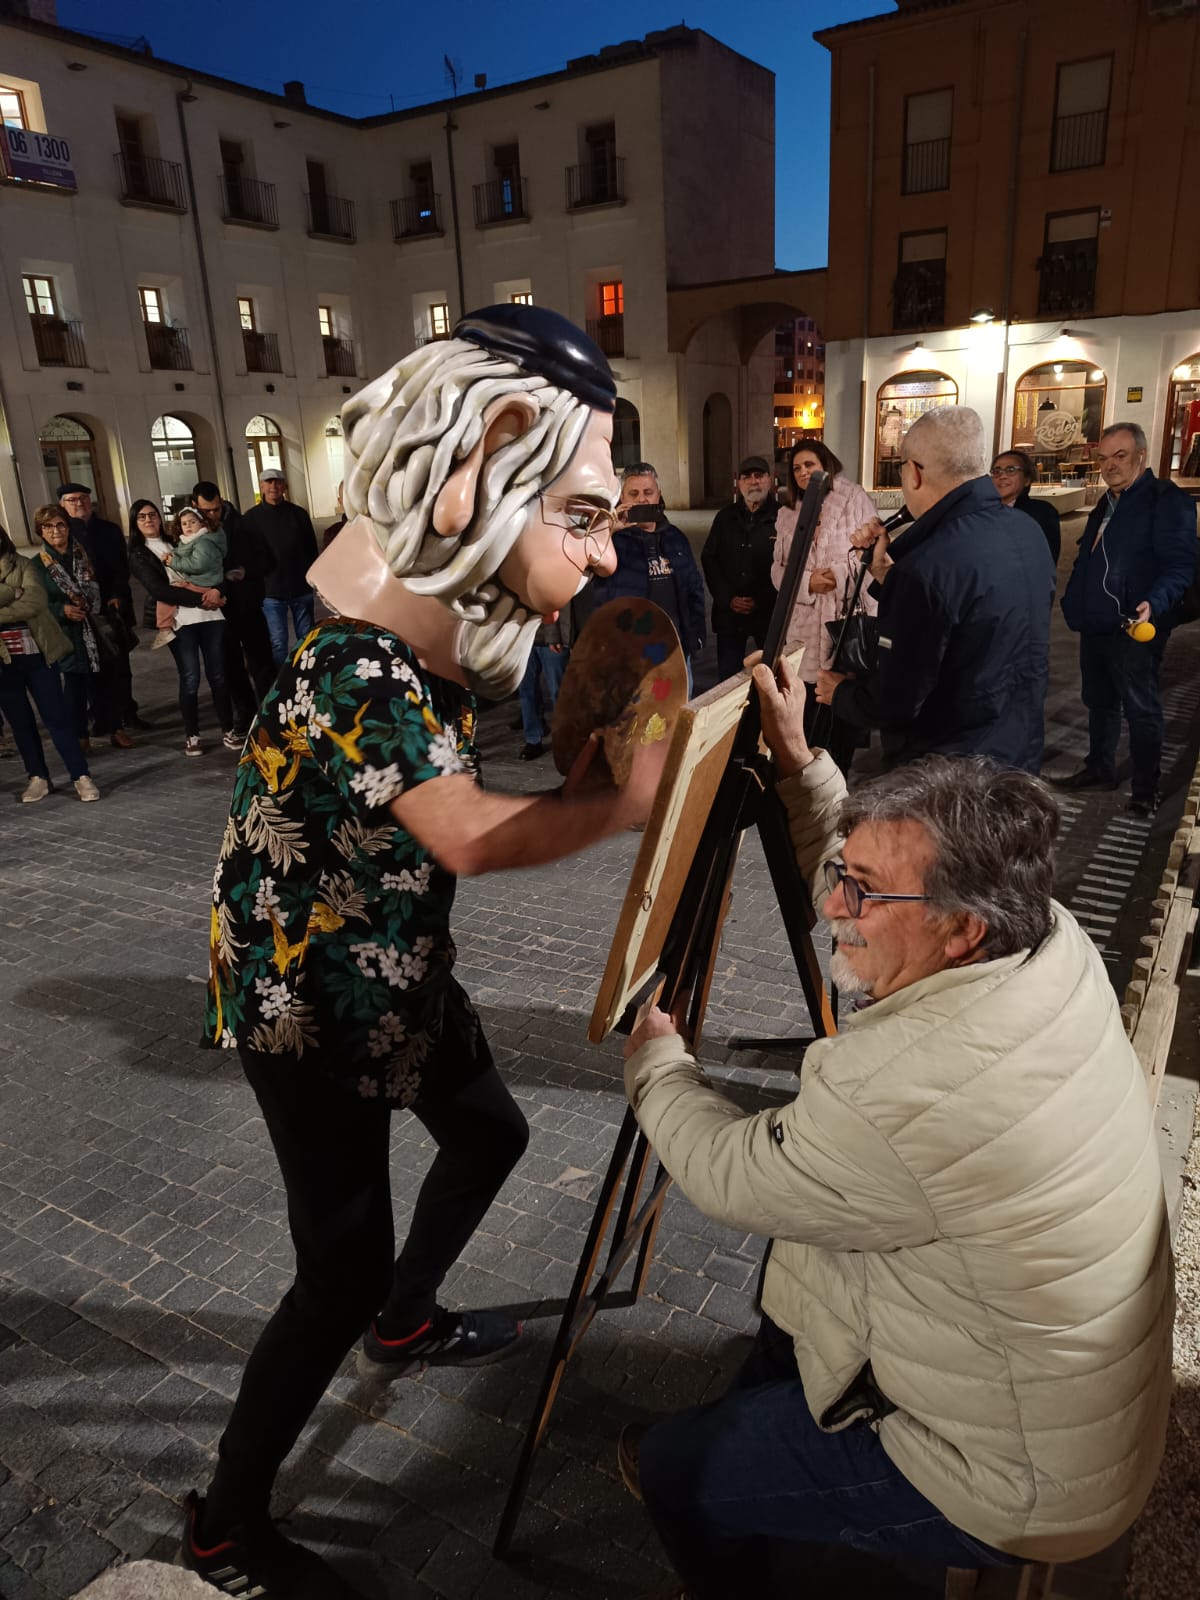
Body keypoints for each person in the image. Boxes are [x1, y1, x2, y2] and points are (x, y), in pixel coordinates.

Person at [187, 305, 668, 1600]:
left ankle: (406, 1317)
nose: (606, 546)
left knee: (494, 1135)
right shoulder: (358, 665)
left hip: (396, 969)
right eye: (581, 513)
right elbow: (458, 834)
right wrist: (621, 805)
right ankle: (225, 1524)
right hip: (310, 1000)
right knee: (330, 1269)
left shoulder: (421, 652)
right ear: (481, 464)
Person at [616, 655, 1173, 1600]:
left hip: (1013, 1477)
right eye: (844, 877)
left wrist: (658, 1065)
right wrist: (800, 767)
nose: (834, 906)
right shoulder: (1040, 931)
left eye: (860, 894)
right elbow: (883, 865)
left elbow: (726, 1172)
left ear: (959, 929)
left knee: (676, 1473)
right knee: (790, 1291)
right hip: (1066, 1403)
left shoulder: (905, 1086)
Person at [816, 406, 1055, 772]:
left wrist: (841, 693)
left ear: (913, 473)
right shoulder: (1026, 531)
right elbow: (963, 618)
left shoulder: (926, 568)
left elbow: (897, 701)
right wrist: (885, 574)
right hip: (1016, 748)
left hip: (947, 773)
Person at [1058, 422, 1197, 816]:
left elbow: (1180, 564)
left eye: (1119, 456)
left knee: (1141, 708)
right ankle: (1100, 768)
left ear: (1141, 456)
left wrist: (1156, 601)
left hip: (1136, 624)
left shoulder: (1164, 500)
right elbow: (1090, 556)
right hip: (1096, 622)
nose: (1109, 465)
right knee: (1099, 702)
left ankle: (1145, 789)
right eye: (1103, 458)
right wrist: (1073, 602)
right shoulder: (1107, 501)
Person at [771, 439, 877, 771]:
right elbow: (778, 570)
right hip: (802, 627)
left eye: (810, 465)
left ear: (825, 465)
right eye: (797, 468)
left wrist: (838, 575)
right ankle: (807, 780)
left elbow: (872, 555)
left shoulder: (854, 499)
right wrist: (807, 583)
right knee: (804, 710)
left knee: (839, 709)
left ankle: (839, 776)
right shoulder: (787, 512)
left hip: (841, 623)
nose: (804, 472)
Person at [127, 500, 237, 757]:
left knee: (219, 675)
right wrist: (203, 598)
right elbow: (159, 589)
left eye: (152, 515)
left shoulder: (182, 539)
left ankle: (228, 730)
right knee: (190, 678)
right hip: (181, 621)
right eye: (141, 517)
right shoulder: (139, 554)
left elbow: (216, 568)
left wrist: (218, 590)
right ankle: (192, 735)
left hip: (211, 616)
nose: (148, 520)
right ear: (135, 523)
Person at [585, 462, 705, 692]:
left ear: (658, 495)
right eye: (634, 493)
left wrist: (696, 636)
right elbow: (582, 563)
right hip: (631, 656)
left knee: (679, 716)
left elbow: (694, 590)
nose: (642, 499)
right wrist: (608, 530)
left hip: (676, 651)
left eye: (648, 492)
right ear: (622, 498)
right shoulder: (610, 542)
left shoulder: (676, 538)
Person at [0, 523, 98, 802]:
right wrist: (10, 593)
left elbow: (35, 602)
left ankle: (80, 775)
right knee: (20, 722)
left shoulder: (23, 565)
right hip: (3, 661)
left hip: (36, 654)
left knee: (57, 717)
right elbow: (21, 600)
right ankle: (38, 777)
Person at [58, 481, 140, 742]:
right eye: (72, 500)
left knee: (120, 665)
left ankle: (127, 712)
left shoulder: (109, 530)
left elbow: (121, 567)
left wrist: (116, 595)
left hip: (111, 607)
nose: (78, 503)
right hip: (82, 612)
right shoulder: (63, 534)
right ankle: (102, 719)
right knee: (92, 669)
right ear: (62, 505)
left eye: (82, 498)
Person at [192, 480, 276, 731]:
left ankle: (271, 710)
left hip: (248, 606)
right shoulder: (191, 531)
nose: (212, 515)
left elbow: (268, 560)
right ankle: (246, 713)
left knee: (261, 662)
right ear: (195, 506)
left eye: (216, 509)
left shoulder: (244, 525)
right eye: (206, 511)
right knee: (230, 666)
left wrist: (245, 571)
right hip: (218, 612)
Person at [28, 504, 108, 752]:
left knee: (104, 681)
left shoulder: (84, 555)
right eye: (48, 526)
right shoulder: (37, 565)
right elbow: (35, 602)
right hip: (64, 633)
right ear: (40, 531)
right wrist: (61, 610)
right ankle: (80, 735)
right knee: (73, 687)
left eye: (60, 524)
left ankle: (112, 726)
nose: (55, 531)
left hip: (94, 628)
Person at [701, 455, 779, 680]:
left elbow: (788, 566)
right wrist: (728, 598)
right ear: (739, 482)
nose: (753, 482)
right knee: (728, 676)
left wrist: (761, 599)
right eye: (747, 477)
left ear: (771, 480)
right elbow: (710, 559)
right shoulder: (725, 517)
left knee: (772, 675)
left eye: (759, 476)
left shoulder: (784, 517)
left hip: (768, 614)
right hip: (729, 614)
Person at [238, 468, 319, 666]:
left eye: (278, 482)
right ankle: (282, 683)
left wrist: (313, 578)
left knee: (307, 639)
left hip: (301, 587)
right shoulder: (251, 518)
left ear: (284, 486)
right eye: (269, 482)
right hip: (271, 591)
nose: (273, 486)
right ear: (262, 486)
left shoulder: (298, 514)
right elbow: (248, 555)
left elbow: (311, 548)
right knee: (277, 642)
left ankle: (306, 675)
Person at [155, 507, 227, 645]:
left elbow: (198, 564)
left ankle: (164, 629)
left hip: (202, 582)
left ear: (202, 523)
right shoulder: (193, 539)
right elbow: (184, 552)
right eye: (184, 523)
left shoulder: (204, 542)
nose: (188, 526)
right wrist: (173, 555)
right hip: (202, 581)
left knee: (166, 596)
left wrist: (174, 562)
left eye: (192, 522)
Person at [515, 609, 572, 760]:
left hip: (550, 637)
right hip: (522, 637)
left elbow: (555, 600)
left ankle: (566, 740)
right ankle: (533, 739)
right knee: (527, 691)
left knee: (559, 693)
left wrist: (554, 635)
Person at [989, 449, 1061, 563]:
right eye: (996, 471)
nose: (1002, 476)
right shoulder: (980, 511)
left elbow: (1045, 560)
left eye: (1011, 470)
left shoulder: (1041, 513)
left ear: (1027, 480)